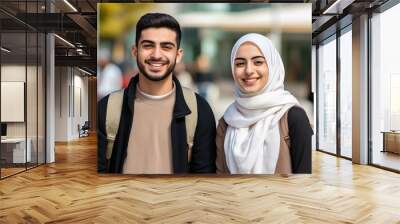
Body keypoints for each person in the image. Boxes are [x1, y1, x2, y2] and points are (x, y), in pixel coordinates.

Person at [98, 13, 216, 174]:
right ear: (134, 51)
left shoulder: (200, 110)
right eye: (148, 45)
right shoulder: (106, 109)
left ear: (178, 55)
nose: (156, 55)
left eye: (166, 46)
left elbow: (203, 180)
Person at [216, 33, 312, 174]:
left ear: (272, 66)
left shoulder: (293, 117)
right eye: (240, 63)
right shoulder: (226, 122)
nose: (249, 70)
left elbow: (305, 181)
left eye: (258, 62)